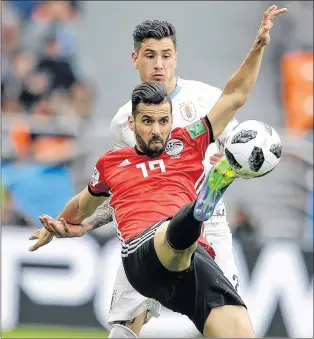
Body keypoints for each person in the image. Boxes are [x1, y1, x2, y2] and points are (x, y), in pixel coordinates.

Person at [28, 5, 287, 337]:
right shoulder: (120, 128)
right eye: (150, 55)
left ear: (176, 57)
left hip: (210, 230)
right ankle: (200, 202)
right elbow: (120, 189)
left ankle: (201, 203)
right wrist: (80, 223)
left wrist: (260, 44)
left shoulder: (199, 115)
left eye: (166, 55)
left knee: (235, 326)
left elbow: (236, 108)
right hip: (147, 233)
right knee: (127, 319)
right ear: (135, 59)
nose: (159, 64)